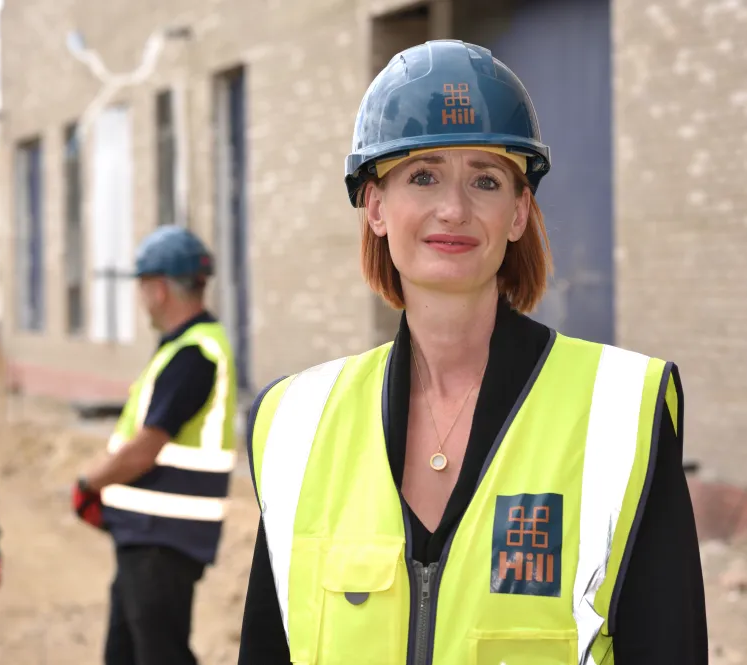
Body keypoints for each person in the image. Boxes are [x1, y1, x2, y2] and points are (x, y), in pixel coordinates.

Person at [238, 39, 707, 665]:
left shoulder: (623, 412)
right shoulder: (295, 422)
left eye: (485, 180)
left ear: (518, 213)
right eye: (423, 175)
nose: (453, 209)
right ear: (375, 206)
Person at [72, 226, 237, 665]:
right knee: (125, 654)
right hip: (147, 537)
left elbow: (145, 448)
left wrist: (89, 483)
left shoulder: (193, 353)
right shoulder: (182, 349)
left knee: (160, 654)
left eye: (144, 287)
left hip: (164, 540)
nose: (142, 298)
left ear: (160, 288)